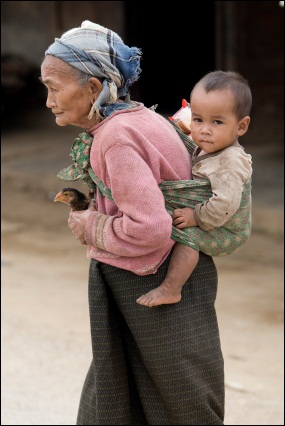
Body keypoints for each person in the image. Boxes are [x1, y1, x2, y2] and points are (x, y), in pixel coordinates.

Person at [41, 20, 225, 425]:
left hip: (148, 279)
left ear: (93, 87)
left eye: (55, 87)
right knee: (155, 389)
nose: (49, 99)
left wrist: (91, 226)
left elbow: (149, 228)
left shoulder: (116, 138)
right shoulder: (139, 117)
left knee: (174, 397)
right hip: (172, 270)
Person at [137, 71, 253, 307]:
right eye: (198, 119)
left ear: (241, 126)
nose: (204, 130)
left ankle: (171, 288)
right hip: (218, 219)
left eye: (217, 122)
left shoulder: (230, 162)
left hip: (228, 229)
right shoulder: (210, 146)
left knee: (187, 238)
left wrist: (196, 217)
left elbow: (225, 204)